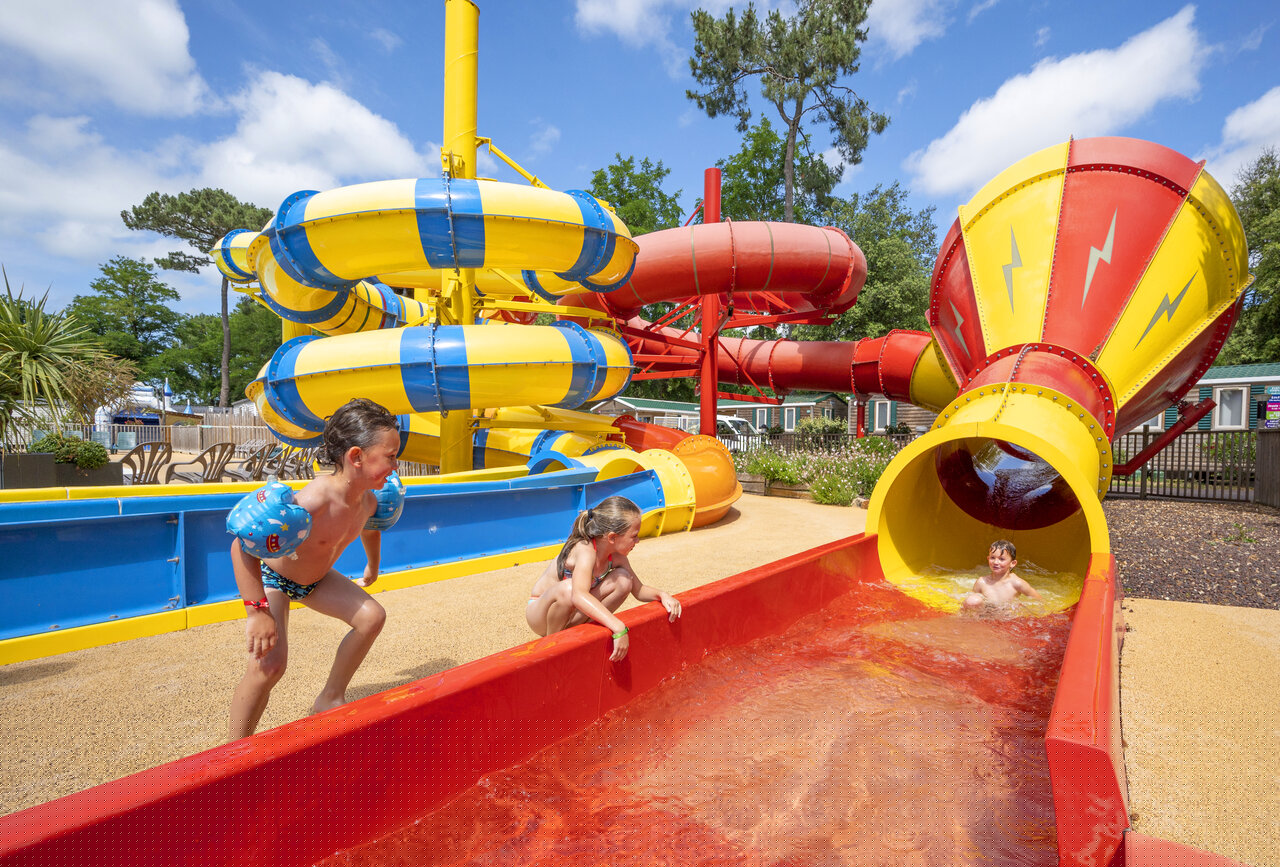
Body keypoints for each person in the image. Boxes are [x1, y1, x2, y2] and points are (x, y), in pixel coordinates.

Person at [227, 398, 399, 741]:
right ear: (356, 457)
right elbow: (241, 546)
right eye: (391, 456)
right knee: (269, 667)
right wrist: (257, 610)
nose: (395, 466)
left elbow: (370, 527)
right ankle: (232, 749)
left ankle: (330, 697)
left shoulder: (368, 500)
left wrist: (372, 563)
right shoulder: (314, 500)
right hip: (276, 578)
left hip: (316, 580)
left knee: (371, 618)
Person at [526, 496, 681, 662]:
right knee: (569, 588)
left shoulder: (617, 558)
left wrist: (663, 595)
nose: (638, 540)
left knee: (624, 580)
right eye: (634, 536)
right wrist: (618, 627)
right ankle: (553, 648)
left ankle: (583, 635)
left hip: (571, 615)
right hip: (542, 613)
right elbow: (578, 595)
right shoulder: (585, 550)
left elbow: (639, 590)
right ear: (612, 537)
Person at [963, 539, 1042, 610]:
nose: (996, 562)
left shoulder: (1016, 583)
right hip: (986, 617)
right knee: (972, 601)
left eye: (1001, 559)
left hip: (1007, 620)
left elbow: (1039, 601)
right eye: (992, 558)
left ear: (1012, 563)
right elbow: (968, 606)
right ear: (988, 559)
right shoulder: (982, 582)